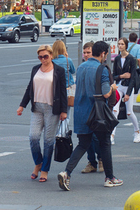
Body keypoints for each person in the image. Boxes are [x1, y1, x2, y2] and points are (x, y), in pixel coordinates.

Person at [58, 41, 122, 190]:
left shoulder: (81, 67)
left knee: (83, 144)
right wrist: (113, 87)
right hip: (97, 114)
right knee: (105, 143)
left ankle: (66, 173)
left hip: (81, 112)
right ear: (103, 54)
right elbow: (106, 92)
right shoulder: (102, 69)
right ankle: (110, 177)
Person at [17, 45, 68, 182]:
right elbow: (30, 88)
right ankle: (38, 163)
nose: (43, 59)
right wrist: (22, 105)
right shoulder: (35, 69)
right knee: (33, 137)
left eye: (45, 56)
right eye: (40, 57)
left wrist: (64, 111)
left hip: (52, 108)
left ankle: (44, 169)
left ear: (51, 55)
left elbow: (63, 92)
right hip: (37, 107)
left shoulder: (59, 71)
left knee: (48, 141)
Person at [111, 37, 140, 144]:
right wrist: (121, 76)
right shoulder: (117, 59)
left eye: (122, 44)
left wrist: (128, 93)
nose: (120, 46)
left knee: (129, 112)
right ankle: (112, 134)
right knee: (115, 110)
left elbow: (133, 77)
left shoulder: (132, 59)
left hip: (128, 86)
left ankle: (137, 132)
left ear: (126, 46)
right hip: (119, 86)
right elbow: (114, 75)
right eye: (119, 44)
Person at [78, 42, 102, 175]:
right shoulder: (81, 67)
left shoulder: (98, 67)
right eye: (85, 52)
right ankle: (92, 162)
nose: (86, 55)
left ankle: (101, 159)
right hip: (85, 107)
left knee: (96, 137)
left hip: (96, 107)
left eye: (89, 52)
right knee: (87, 137)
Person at [51, 39, 76, 111]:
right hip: (67, 87)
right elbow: (73, 71)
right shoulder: (68, 60)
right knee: (66, 110)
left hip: (55, 88)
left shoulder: (51, 61)